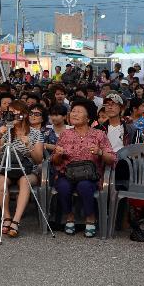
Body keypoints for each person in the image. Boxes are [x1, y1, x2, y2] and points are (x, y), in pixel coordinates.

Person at [51, 100, 116, 238]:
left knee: (84, 186)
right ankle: (69, 216)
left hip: (89, 176)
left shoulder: (99, 135)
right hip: (67, 173)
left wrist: (100, 152)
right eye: (73, 111)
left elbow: (112, 159)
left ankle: (90, 217)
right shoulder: (65, 134)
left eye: (79, 112)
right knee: (62, 186)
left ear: (88, 118)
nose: (74, 114)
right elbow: (55, 161)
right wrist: (58, 154)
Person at [0, 101, 44, 237]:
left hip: (27, 170)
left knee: (24, 181)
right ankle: (7, 218)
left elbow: (38, 159)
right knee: (1, 181)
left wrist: (29, 145)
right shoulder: (6, 130)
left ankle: (16, 221)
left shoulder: (35, 133)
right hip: (8, 168)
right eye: (11, 113)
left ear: (25, 115)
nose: (14, 116)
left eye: (17, 113)